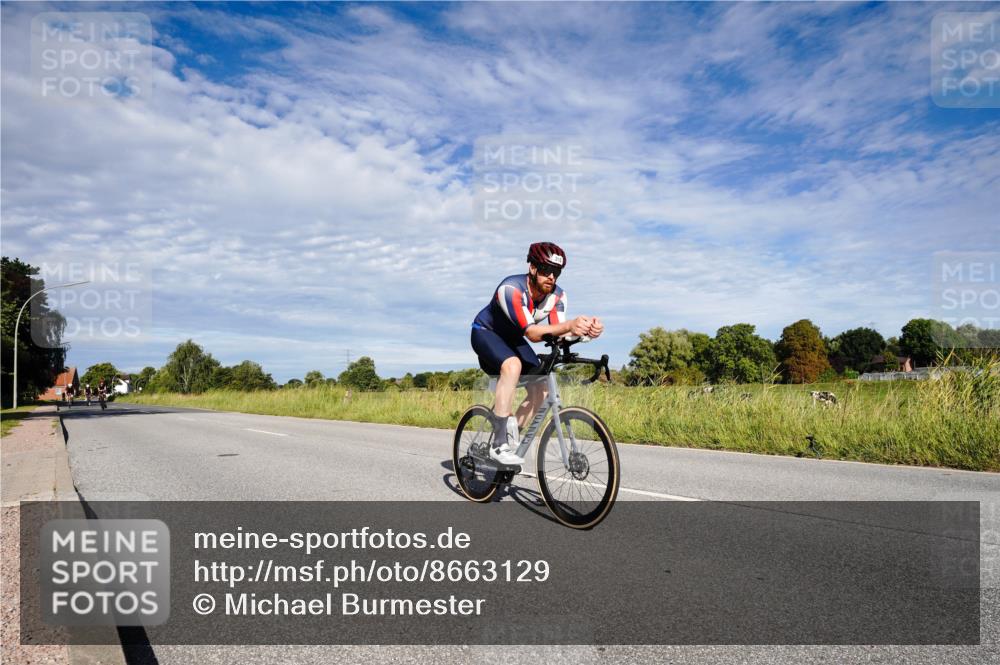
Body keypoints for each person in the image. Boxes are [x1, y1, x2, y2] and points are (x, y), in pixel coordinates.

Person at [471, 242, 603, 465]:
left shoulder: (557, 297)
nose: (551, 276)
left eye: (557, 272)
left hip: (513, 339)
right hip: (486, 333)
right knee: (512, 366)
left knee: (540, 389)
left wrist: (585, 333)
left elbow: (558, 333)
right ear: (532, 268)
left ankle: (512, 438)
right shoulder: (511, 289)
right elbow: (532, 333)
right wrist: (570, 325)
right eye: (545, 270)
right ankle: (498, 445)